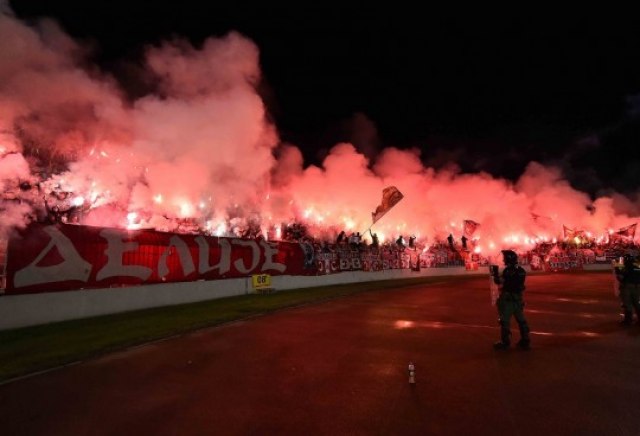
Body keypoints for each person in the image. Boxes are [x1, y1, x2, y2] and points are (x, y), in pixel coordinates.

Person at [492, 250, 530, 350]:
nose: (503, 259)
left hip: (508, 299)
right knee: (521, 320)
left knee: (504, 321)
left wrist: (495, 273)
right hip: (518, 299)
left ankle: (505, 342)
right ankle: (525, 340)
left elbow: (499, 282)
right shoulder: (521, 270)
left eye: (505, 257)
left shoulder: (508, 271)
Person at [615, 254, 640, 325]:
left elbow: (620, 276)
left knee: (627, 304)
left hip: (627, 286)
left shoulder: (621, 263)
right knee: (638, 303)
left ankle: (628, 320)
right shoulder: (638, 264)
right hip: (638, 286)